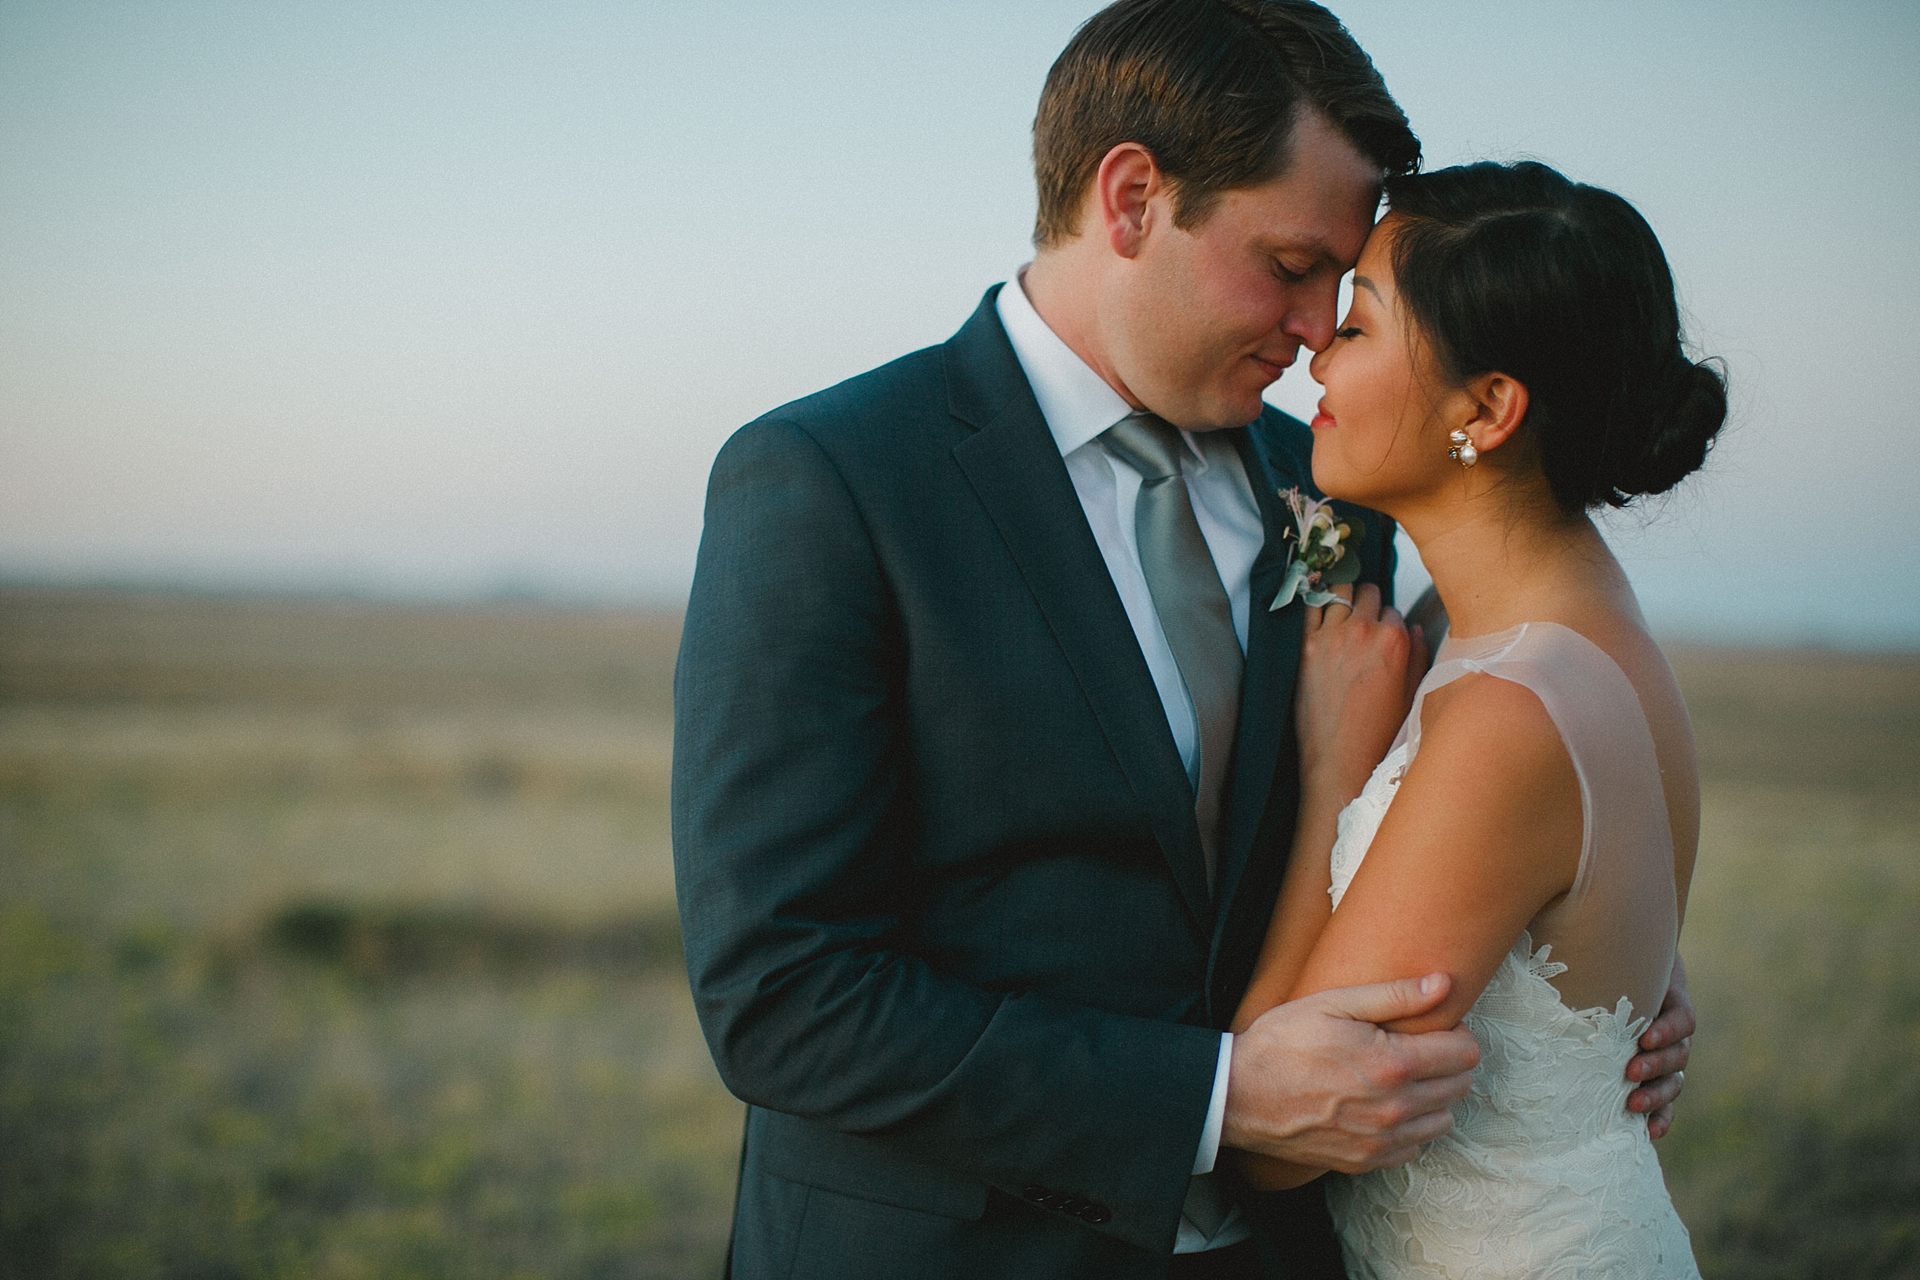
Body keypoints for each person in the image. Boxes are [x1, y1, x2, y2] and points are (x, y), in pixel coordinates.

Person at [671, 3, 1693, 1276]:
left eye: (1344, 283)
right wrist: (1211, 1098)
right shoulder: (833, 481)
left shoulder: (1327, 488)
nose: (1321, 325)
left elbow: (1477, 784)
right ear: (1134, 198)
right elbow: (782, 994)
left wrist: (1585, 957)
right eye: (1290, 264)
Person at [1229, 160, 1722, 1277]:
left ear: (1489, 408)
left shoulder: (1512, 711)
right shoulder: (1586, 630)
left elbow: (1282, 1138)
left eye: (1357, 324)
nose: (1315, 348)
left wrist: (1335, 774)